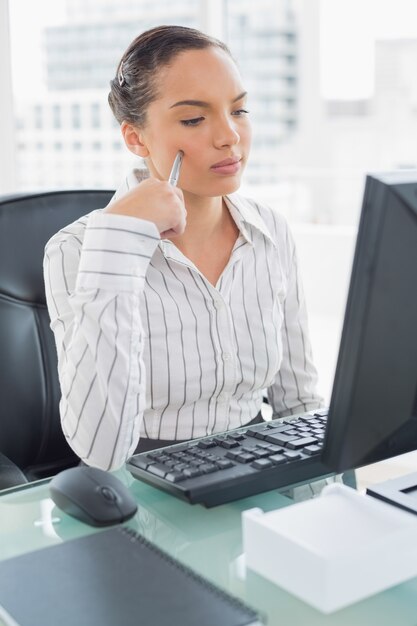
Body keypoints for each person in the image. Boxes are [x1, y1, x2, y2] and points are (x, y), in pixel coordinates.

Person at [44, 25, 323, 471]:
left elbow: (299, 401)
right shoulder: (75, 250)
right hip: (140, 480)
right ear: (136, 138)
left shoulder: (271, 230)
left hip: (260, 467)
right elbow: (102, 449)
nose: (229, 136)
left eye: (239, 110)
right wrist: (117, 246)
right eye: (194, 119)